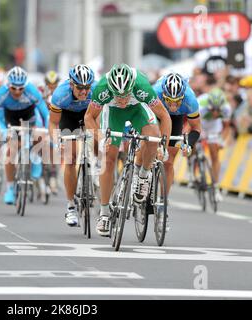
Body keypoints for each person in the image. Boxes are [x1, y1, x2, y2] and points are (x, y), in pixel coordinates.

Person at [85, 63, 171, 236]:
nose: (123, 100)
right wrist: (101, 139)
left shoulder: (142, 86)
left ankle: (143, 176)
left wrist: (164, 145)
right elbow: (89, 117)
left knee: (153, 137)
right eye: (118, 96)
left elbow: (164, 116)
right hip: (113, 114)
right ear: (111, 90)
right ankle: (104, 213)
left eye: (126, 96)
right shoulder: (102, 88)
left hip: (137, 109)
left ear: (132, 87)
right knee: (109, 158)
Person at [49, 64, 96, 227]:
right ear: (71, 85)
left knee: (100, 143)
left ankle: (96, 171)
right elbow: (53, 123)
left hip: (90, 114)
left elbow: (104, 116)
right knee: (71, 157)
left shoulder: (96, 91)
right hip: (68, 117)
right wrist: (56, 142)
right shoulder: (60, 96)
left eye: (87, 87)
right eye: (79, 88)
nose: (84, 91)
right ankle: (70, 206)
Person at [0, 66, 49, 205]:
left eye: (21, 88)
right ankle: (10, 188)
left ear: (25, 86)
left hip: (28, 115)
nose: (17, 91)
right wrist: (3, 131)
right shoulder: (1, 94)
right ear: (8, 85)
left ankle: (35, 158)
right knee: (11, 150)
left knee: (39, 136)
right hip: (10, 118)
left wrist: (47, 129)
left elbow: (44, 113)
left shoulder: (32, 91)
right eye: (14, 88)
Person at [153, 72, 202, 196]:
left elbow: (196, 128)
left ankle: (163, 199)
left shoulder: (190, 100)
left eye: (177, 101)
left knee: (169, 161)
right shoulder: (155, 93)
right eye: (169, 101)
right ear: (163, 95)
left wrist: (189, 145)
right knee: (148, 143)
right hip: (157, 113)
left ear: (183, 97)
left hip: (176, 118)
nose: (173, 105)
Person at [198, 88, 232, 202]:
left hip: (214, 126)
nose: (216, 113)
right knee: (193, 144)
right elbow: (193, 122)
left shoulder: (227, 109)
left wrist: (222, 140)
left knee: (214, 154)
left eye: (219, 110)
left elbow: (227, 127)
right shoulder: (200, 104)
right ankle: (192, 169)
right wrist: (200, 133)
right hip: (200, 123)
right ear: (209, 105)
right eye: (213, 109)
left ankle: (216, 187)